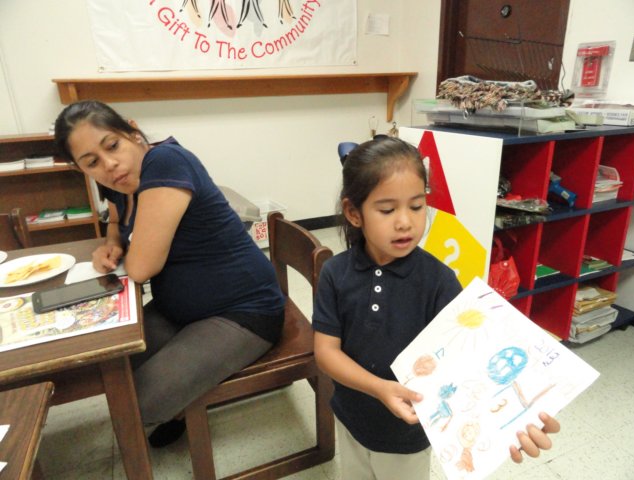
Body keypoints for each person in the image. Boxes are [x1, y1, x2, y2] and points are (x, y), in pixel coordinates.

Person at [312, 136, 560, 479]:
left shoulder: (439, 281)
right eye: (387, 210)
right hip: (351, 418)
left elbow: (474, 358)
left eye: (416, 206)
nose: (405, 222)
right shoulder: (335, 273)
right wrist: (379, 388)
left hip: (408, 434)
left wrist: (516, 419)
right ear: (354, 213)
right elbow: (326, 352)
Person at [54, 100, 285, 447]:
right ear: (80, 169)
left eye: (112, 145)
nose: (109, 164)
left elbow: (141, 268)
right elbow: (115, 221)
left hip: (243, 310)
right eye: (92, 163)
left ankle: (179, 405)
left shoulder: (165, 162)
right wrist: (112, 243)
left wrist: (128, 252)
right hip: (180, 309)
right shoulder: (119, 182)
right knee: (110, 364)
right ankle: (181, 404)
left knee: (135, 403)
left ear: (133, 132)